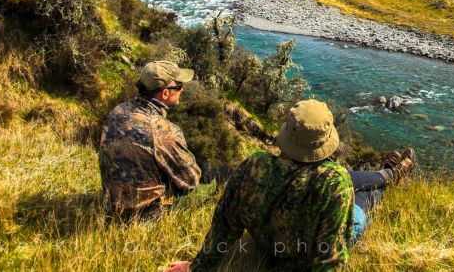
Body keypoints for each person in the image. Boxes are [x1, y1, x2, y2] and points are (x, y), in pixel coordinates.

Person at [166, 99, 415, 272]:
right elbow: (331, 254)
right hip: (303, 257)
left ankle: (389, 174)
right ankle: (389, 178)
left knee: (349, 180)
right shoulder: (333, 180)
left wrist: (197, 267)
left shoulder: (255, 164)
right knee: (364, 201)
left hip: (267, 243)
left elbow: (224, 224)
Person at [98, 60, 201, 220]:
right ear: (165, 93)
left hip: (109, 205)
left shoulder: (118, 110)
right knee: (204, 193)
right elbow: (190, 181)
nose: (183, 89)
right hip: (141, 218)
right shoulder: (162, 130)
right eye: (179, 86)